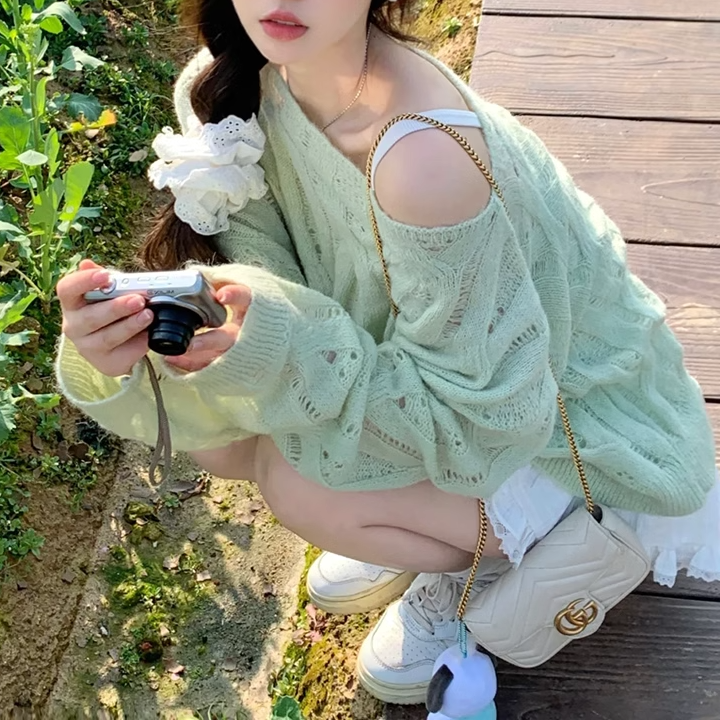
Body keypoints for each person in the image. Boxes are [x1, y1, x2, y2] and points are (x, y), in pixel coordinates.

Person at [55, 0, 720, 706]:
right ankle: (431, 524)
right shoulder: (233, 82)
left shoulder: (420, 158)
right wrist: (131, 343)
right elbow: (275, 286)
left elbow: (486, 422)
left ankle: (484, 564)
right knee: (225, 435)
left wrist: (283, 347)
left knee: (294, 481)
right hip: (440, 376)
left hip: (559, 431)